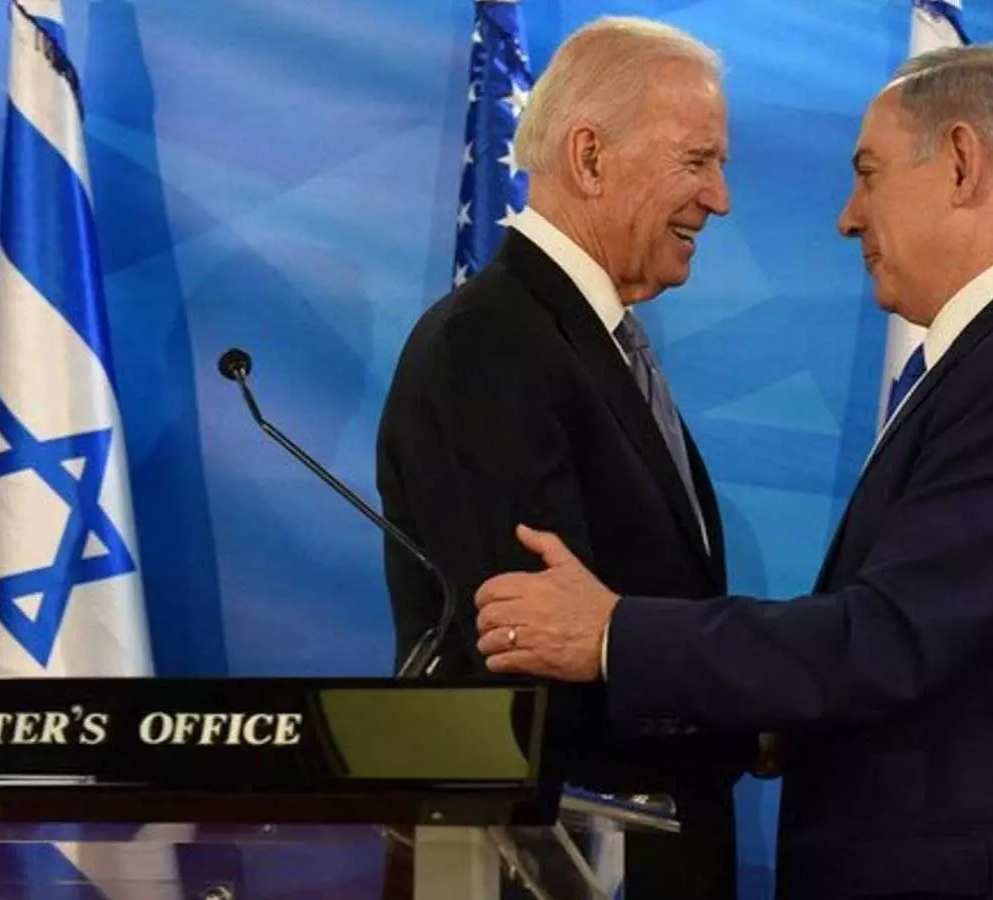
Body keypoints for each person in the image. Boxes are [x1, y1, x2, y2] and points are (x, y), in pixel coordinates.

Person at [472, 44, 993, 900]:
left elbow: (887, 638)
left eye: (868, 175)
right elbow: (951, 643)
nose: (848, 218)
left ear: (960, 162)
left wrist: (609, 634)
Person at [375, 16, 751, 900]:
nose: (721, 198)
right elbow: (536, 655)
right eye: (697, 161)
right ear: (589, 157)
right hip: (557, 868)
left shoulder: (586, 339)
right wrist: (750, 702)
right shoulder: (493, 344)